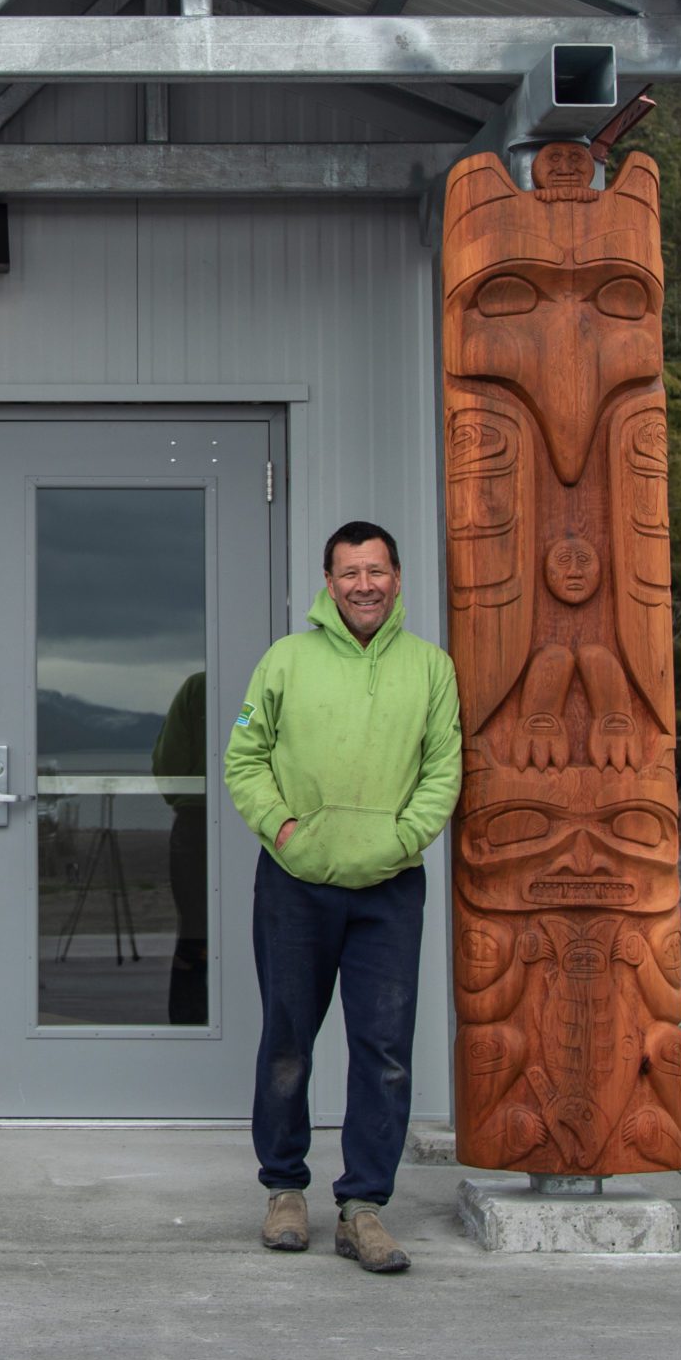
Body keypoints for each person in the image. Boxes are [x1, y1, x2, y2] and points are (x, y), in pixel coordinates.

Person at [222, 519, 461, 1274]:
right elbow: (244, 757)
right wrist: (285, 830)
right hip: (294, 882)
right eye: (349, 572)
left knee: (383, 1053)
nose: (364, 584)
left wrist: (398, 842)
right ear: (328, 583)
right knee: (288, 1043)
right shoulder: (284, 662)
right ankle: (285, 1192)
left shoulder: (431, 669)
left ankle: (364, 1208)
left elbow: (443, 772)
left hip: (390, 888)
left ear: (398, 579)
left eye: (377, 570)